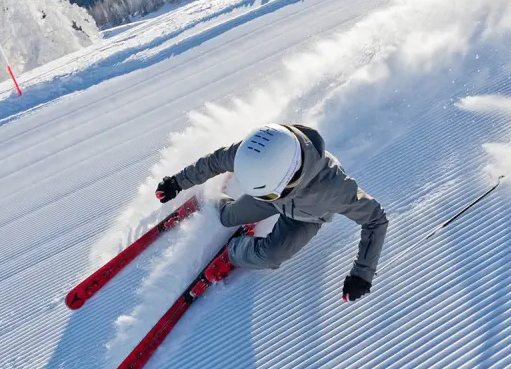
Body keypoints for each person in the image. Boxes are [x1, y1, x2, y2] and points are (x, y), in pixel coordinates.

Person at [154, 123, 388, 302]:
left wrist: (362, 275)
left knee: (271, 256)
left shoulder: (333, 190)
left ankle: (234, 252)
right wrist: (177, 182)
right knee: (227, 217)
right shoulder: (257, 150)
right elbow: (215, 161)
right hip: (277, 199)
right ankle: (215, 199)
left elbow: (376, 220)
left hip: (307, 216)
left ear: (286, 184)